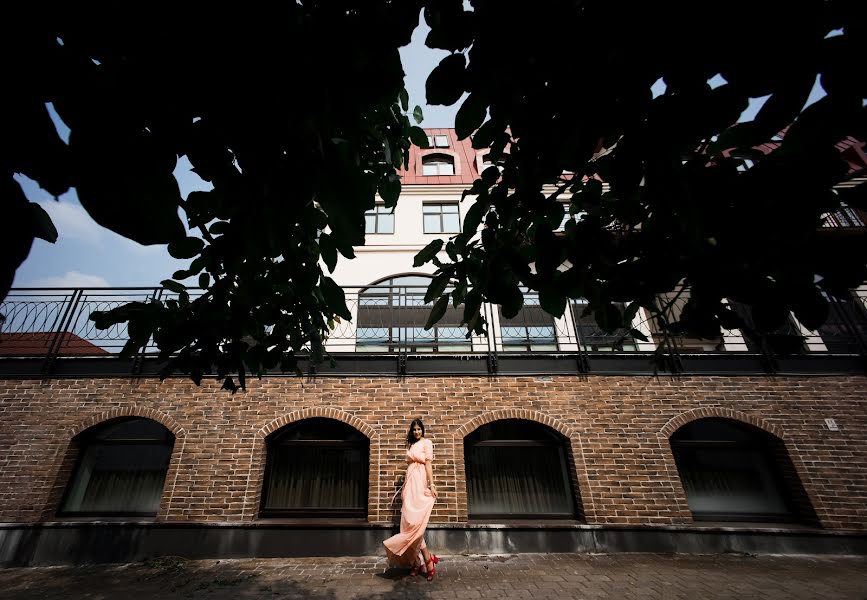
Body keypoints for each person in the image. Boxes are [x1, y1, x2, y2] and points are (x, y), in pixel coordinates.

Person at [383, 418, 440, 580]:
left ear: (423, 430)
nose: (417, 432)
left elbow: (428, 464)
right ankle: (417, 562)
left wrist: (432, 484)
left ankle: (427, 561)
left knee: (416, 525)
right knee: (408, 525)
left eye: (419, 429)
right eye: (414, 429)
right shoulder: (412, 445)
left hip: (420, 483)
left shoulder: (426, 443)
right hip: (409, 486)